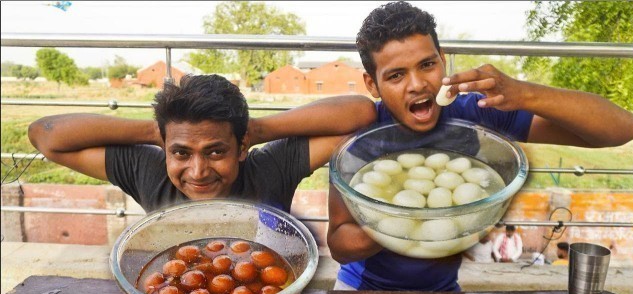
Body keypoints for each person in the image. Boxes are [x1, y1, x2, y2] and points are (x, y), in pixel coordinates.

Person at [327, 1, 633, 291]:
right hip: (362, 289)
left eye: (427, 64)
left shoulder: (477, 114)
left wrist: (525, 94)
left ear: (443, 60)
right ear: (372, 84)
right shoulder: (361, 135)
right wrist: (407, 219)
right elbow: (340, 245)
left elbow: (621, 129)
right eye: (395, 75)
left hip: (443, 293)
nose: (418, 84)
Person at [28, 74, 376, 214]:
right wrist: (156, 135)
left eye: (216, 151)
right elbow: (46, 134)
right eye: (181, 153)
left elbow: (360, 112)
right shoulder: (148, 171)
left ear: (241, 148)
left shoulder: (271, 167)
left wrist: (255, 130)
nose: (197, 171)